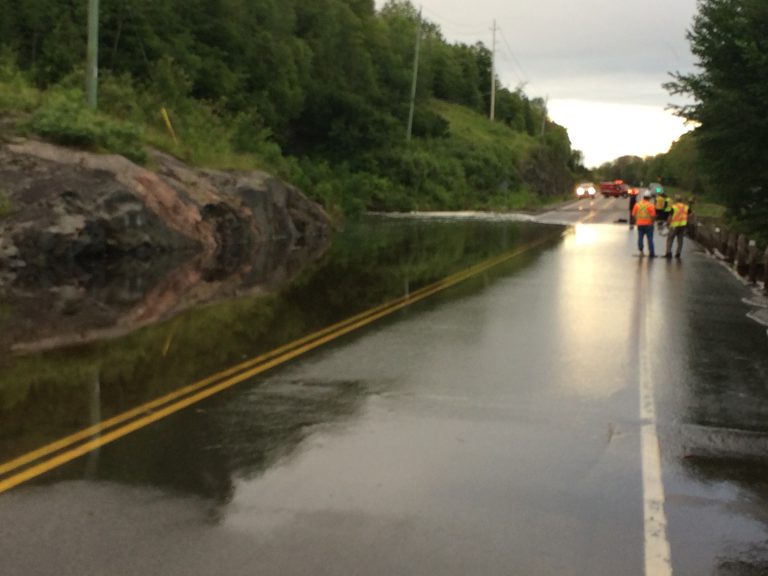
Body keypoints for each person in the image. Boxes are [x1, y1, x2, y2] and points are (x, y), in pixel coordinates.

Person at [632, 191, 657, 257]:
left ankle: (641, 252)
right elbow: (653, 216)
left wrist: (636, 220)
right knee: (650, 239)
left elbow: (633, 214)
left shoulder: (637, 204)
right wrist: (652, 222)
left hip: (640, 224)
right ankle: (651, 253)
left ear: (643, 197)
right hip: (649, 224)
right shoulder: (650, 205)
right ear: (649, 198)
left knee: (640, 238)